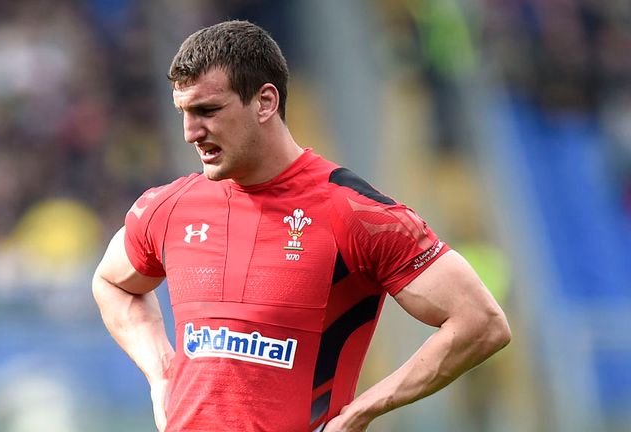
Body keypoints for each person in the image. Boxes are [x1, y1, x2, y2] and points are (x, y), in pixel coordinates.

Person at [92, 20, 511, 432]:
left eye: (208, 111)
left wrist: (365, 409)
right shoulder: (170, 207)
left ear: (265, 102)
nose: (190, 133)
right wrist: (160, 372)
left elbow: (480, 321)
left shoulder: (354, 211)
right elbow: (112, 283)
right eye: (183, 112)